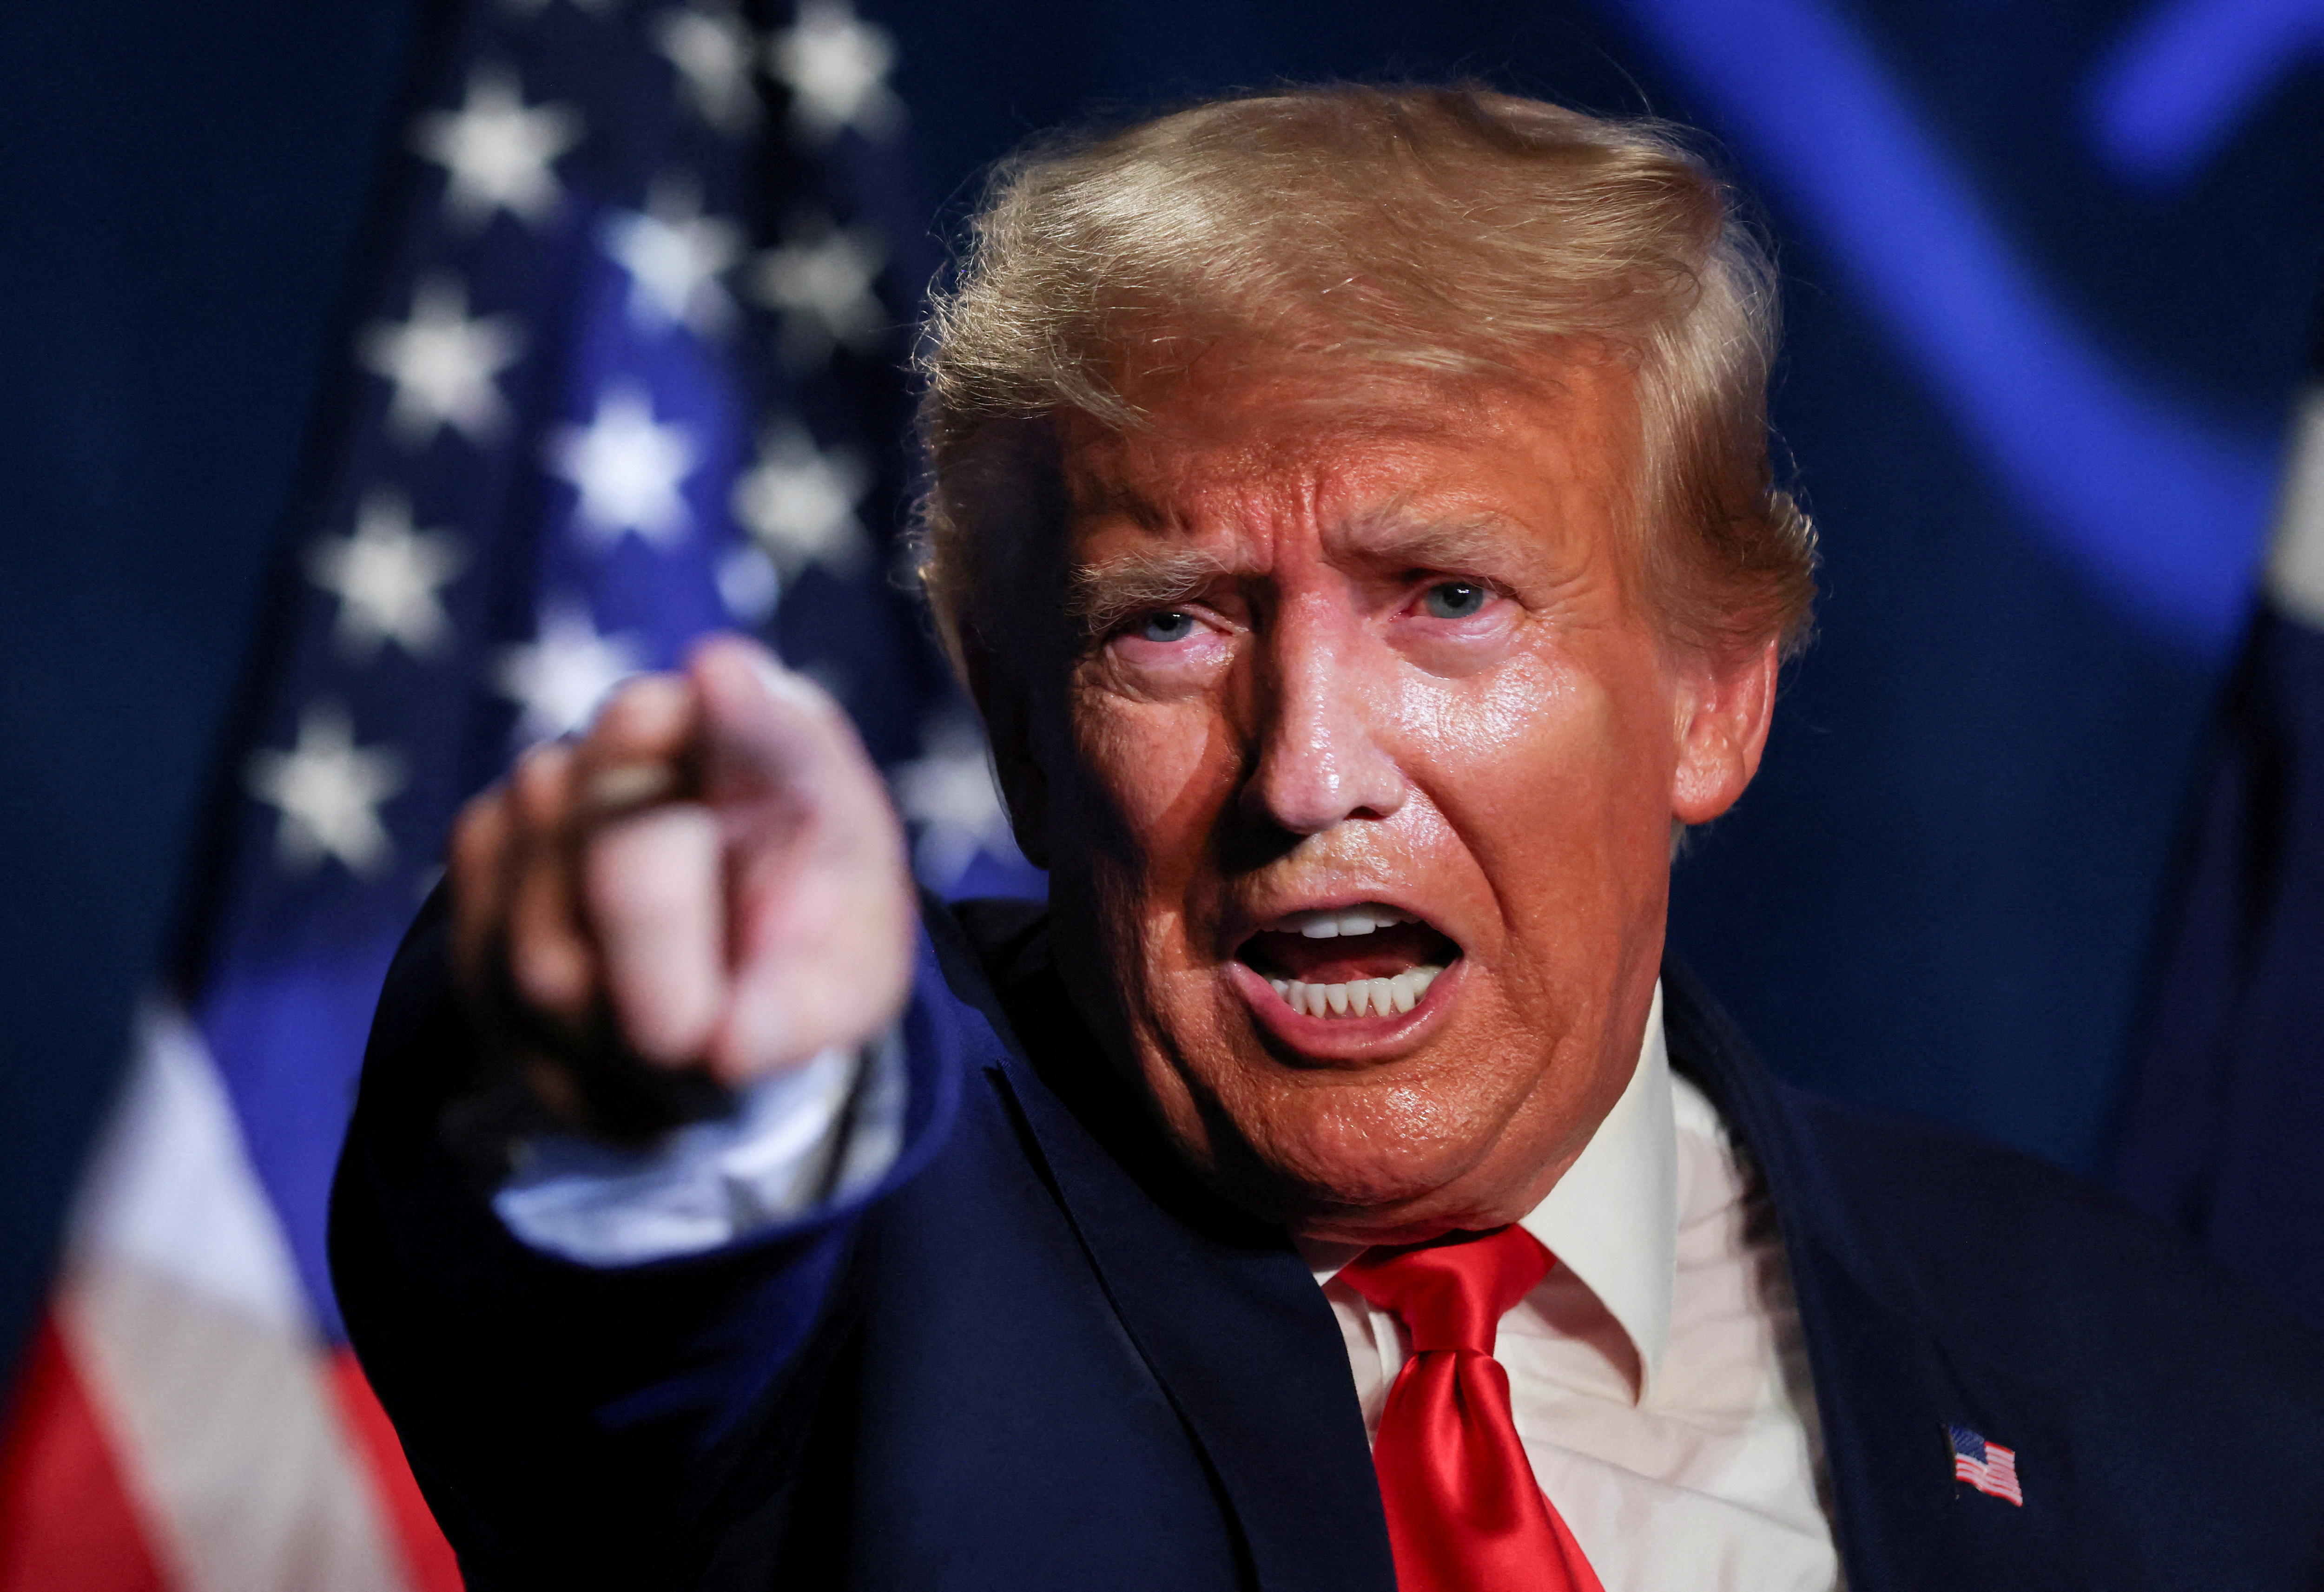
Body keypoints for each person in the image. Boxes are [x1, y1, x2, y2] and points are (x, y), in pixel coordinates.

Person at [332, 86, 2324, 1591]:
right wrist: (659, 1052)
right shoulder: (871, 1255)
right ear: (1022, 737)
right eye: (1169, 622)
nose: (1304, 771)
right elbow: (589, 1270)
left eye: (1446, 596)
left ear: (1711, 692)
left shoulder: (2156, 1380)